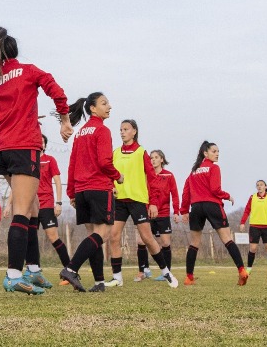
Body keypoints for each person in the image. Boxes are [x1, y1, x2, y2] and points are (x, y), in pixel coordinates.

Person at [0, 27, 72, 295]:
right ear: (15, 51)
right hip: (23, 147)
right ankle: (14, 274)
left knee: (33, 206)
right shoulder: (28, 71)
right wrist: (64, 120)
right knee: (22, 210)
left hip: (1, 151)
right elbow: (55, 88)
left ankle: (33, 270)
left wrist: (11, 118)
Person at [58, 92, 119, 293]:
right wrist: (117, 176)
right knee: (103, 233)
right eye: (104, 103)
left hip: (82, 191)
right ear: (93, 108)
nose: (109, 106)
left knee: (93, 236)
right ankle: (71, 268)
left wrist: (72, 193)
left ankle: (99, 282)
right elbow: (104, 162)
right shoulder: (102, 130)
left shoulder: (81, 133)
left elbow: (72, 164)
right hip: (99, 188)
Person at [105, 120, 178, 289]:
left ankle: (166, 271)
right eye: (121, 129)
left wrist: (153, 203)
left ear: (134, 131)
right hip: (120, 201)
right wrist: (111, 187)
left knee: (147, 237)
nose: (122, 132)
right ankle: (117, 277)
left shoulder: (141, 153)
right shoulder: (115, 153)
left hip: (138, 201)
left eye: (126, 129)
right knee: (113, 236)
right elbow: (109, 175)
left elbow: (152, 179)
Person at [180, 141, 248, 286]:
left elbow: (186, 193)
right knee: (227, 239)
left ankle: (189, 277)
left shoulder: (193, 171)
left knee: (194, 243)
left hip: (196, 207)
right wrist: (227, 195)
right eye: (214, 151)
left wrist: (184, 211)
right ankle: (242, 271)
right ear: (205, 153)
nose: (217, 154)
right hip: (212, 205)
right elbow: (215, 189)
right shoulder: (214, 168)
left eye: (218, 152)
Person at [141, 149, 181, 281]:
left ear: (162, 159)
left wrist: (176, 212)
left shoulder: (169, 175)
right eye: (151, 157)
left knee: (164, 242)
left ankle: (166, 273)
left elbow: (174, 194)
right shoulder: (146, 175)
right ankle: (144, 270)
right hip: (148, 213)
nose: (153, 160)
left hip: (163, 213)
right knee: (141, 240)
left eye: (156, 157)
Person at [239, 180, 267, 278]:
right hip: (254, 226)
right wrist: (242, 223)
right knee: (253, 248)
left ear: (265, 187)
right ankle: (248, 269)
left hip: (266, 227)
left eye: (261, 185)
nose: (259, 186)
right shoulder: (252, 197)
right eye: (257, 185)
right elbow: (247, 210)